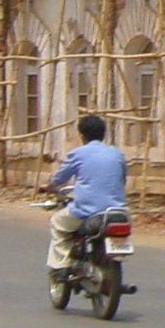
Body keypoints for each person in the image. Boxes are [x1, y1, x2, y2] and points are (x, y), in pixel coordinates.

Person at [47, 114, 129, 281]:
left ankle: (60, 266)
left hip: (87, 211)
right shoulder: (117, 153)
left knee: (58, 222)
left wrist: (48, 186)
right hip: (118, 212)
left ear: (82, 135)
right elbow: (122, 179)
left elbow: (59, 179)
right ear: (104, 134)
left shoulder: (78, 153)